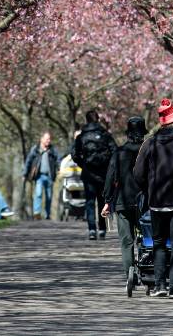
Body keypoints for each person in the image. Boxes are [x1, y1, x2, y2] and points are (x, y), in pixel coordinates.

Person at [134, 98, 173, 298]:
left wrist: (149, 188)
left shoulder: (150, 143)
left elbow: (138, 173)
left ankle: (159, 285)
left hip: (158, 201)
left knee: (159, 243)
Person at [102, 116, 148, 283]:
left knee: (126, 240)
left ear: (128, 134)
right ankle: (147, 268)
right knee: (147, 237)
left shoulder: (119, 153)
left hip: (123, 201)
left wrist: (107, 201)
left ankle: (129, 273)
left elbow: (110, 177)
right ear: (143, 133)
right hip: (146, 202)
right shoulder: (148, 151)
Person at [71, 110, 117, 240]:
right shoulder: (105, 135)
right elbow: (115, 151)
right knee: (103, 201)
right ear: (97, 119)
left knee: (90, 202)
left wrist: (83, 164)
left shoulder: (81, 136)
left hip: (88, 174)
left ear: (86, 120)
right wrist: (109, 167)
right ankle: (102, 229)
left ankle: (92, 230)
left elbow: (74, 154)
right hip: (103, 175)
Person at [23, 132, 59, 220]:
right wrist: (25, 174)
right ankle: (37, 213)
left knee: (49, 196)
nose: (48, 141)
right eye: (47, 139)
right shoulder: (35, 149)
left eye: (49, 139)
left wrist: (60, 168)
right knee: (38, 194)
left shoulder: (53, 150)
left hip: (50, 176)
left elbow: (58, 160)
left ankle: (47, 215)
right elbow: (28, 161)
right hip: (39, 176)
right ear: (41, 139)